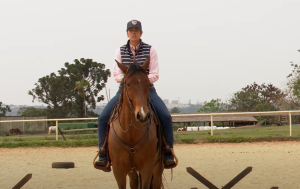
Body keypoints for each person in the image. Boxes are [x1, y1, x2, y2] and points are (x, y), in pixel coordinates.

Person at [96, 19, 175, 170]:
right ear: (127, 33)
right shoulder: (120, 51)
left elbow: (155, 74)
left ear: (141, 33)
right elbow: (116, 74)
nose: (134, 33)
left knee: (165, 116)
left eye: (136, 31)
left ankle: (167, 151)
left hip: (147, 89)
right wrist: (129, 80)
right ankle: (103, 153)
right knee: (102, 118)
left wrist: (141, 81)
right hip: (125, 89)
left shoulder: (150, 50)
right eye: (131, 31)